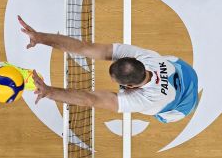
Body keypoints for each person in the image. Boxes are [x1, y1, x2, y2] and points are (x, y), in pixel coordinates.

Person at [18, 15, 199, 124]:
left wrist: (50, 92)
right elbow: (84, 48)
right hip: (183, 70)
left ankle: (192, 106)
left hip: (182, 103)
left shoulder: (144, 100)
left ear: (128, 86)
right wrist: (40, 37)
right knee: (168, 60)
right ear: (131, 58)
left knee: (167, 115)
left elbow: (92, 99)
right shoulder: (145, 58)